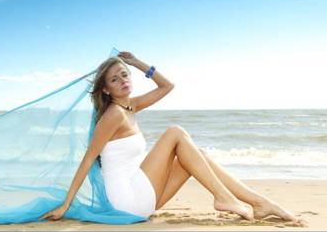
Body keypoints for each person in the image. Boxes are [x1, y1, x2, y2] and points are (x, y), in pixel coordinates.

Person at [39, 51, 297, 222]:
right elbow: (88, 160)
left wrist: (138, 63)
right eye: (115, 80)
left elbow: (167, 86)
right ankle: (224, 198)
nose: (123, 81)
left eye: (125, 75)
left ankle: (260, 202)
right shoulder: (113, 115)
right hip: (127, 200)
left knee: (200, 156)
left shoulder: (132, 106)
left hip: (140, 197)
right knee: (175, 132)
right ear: (105, 90)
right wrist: (65, 205)